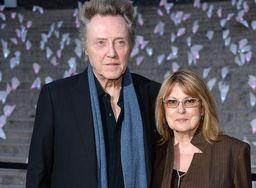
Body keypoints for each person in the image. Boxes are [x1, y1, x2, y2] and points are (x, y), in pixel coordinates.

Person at [26, 0, 160, 188]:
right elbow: (38, 173)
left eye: (120, 42)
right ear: (85, 48)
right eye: (101, 43)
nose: (111, 53)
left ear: (131, 46)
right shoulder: (56, 97)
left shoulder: (153, 94)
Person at [151, 69, 251, 188]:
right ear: (163, 109)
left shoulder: (234, 151)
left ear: (203, 108)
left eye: (190, 101)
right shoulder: (153, 150)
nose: (181, 110)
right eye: (172, 102)